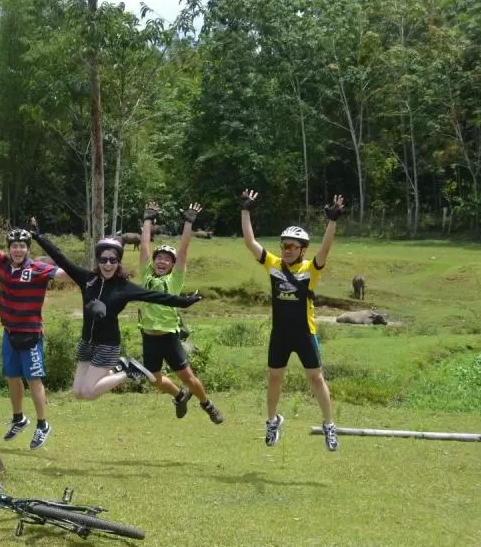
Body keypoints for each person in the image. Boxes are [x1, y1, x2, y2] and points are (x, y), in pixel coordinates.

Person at [29, 217, 203, 400]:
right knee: (79, 393)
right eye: (104, 260)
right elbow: (60, 258)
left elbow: (157, 297)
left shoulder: (124, 287)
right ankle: (127, 370)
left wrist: (184, 302)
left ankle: (128, 370)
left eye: (113, 260)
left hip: (107, 344)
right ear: (98, 260)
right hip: (86, 342)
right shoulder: (87, 279)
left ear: (118, 261)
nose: (108, 264)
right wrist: (38, 236)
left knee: (89, 393)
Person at [239, 189, 344, 451]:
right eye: (284, 245)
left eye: (292, 247)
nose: (286, 250)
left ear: (302, 250)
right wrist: (245, 210)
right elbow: (250, 242)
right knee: (274, 377)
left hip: (304, 333)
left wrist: (332, 221)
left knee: (316, 378)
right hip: (280, 334)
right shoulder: (273, 264)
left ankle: (329, 425)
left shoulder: (310, 269)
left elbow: (325, 250)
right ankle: (273, 421)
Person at [0, 211, 70, 449]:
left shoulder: (38, 268)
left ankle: (42, 424)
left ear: (28, 248)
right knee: (12, 377)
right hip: (9, 333)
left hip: (31, 335)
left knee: (34, 380)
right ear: (10, 248)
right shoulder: (3, 263)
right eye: (14, 246)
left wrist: (46, 242)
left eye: (22, 246)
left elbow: (66, 274)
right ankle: (19, 418)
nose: (18, 250)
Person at [138, 201, 224, 424]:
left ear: (173, 264)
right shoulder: (146, 274)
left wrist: (188, 223)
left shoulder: (174, 279)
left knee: (188, 377)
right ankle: (179, 396)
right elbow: (144, 246)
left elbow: (184, 250)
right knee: (154, 379)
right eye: (159, 257)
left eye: (167, 259)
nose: (162, 260)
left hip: (168, 336)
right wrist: (147, 219)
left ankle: (207, 404)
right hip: (148, 336)